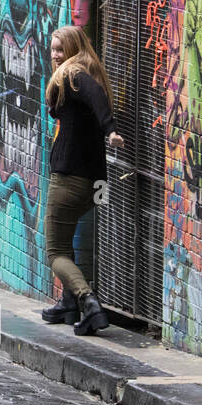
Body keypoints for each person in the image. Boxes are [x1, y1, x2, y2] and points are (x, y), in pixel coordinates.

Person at [39, 25, 125, 337]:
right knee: (65, 242)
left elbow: (95, 96)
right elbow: (97, 96)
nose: (55, 55)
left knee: (55, 253)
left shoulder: (73, 75)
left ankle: (88, 302)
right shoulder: (88, 72)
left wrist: (110, 129)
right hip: (92, 183)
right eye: (53, 49)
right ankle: (68, 304)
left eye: (60, 49)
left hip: (70, 180)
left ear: (74, 49)